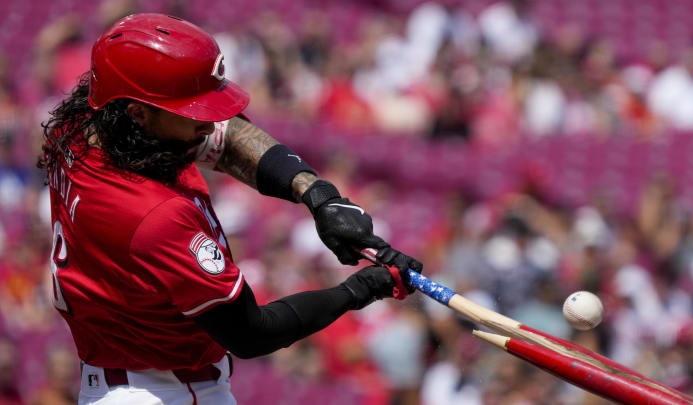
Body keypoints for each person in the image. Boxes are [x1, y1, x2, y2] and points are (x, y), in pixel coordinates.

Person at [38, 13, 422, 405]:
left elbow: (228, 136)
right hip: (166, 391)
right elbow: (252, 334)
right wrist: (361, 289)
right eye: (191, 112)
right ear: (138, 114)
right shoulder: (153, 215)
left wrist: (318, 195)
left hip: (123, 378)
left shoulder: (85, 129)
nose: (208, 122)